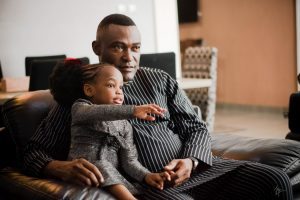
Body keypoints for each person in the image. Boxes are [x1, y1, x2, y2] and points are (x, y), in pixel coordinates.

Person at [23, 14, 292, 199]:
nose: (129, 57)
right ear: (97, 47)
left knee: (274, 182)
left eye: (135, 48)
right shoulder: (81, 93)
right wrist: (55, 167)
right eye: (118, 47)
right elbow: (33, 151)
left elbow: (196, 127)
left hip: (201, 171)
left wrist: (191, 160)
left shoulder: (160, 79)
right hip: (152, 186)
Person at [67, 61, 171, 199]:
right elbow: (102, 112)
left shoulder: (125, 125)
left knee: (134, 184)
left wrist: (147, 175)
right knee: (101, 164)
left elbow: (129, 161)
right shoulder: (81, 108)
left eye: (121, 87)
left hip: (110, 177)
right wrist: (133, 110)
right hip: (83, 172)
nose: (119, 92)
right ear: (89, 90)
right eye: (111, 85)